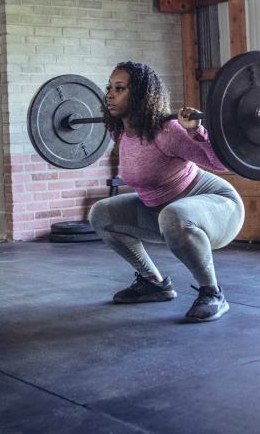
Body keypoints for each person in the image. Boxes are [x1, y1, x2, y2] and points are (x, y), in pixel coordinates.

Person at [88, 61, 245, 322]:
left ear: (138, 94)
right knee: (101, 214)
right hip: (165, 214)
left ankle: (213, 293)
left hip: (218, 208)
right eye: (109, 88)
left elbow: (221, 164)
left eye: (120, 88)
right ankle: (154, 283)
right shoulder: (122, 132)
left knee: (173, 215)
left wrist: (196, 130)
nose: (110, 95)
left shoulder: (166, 131)